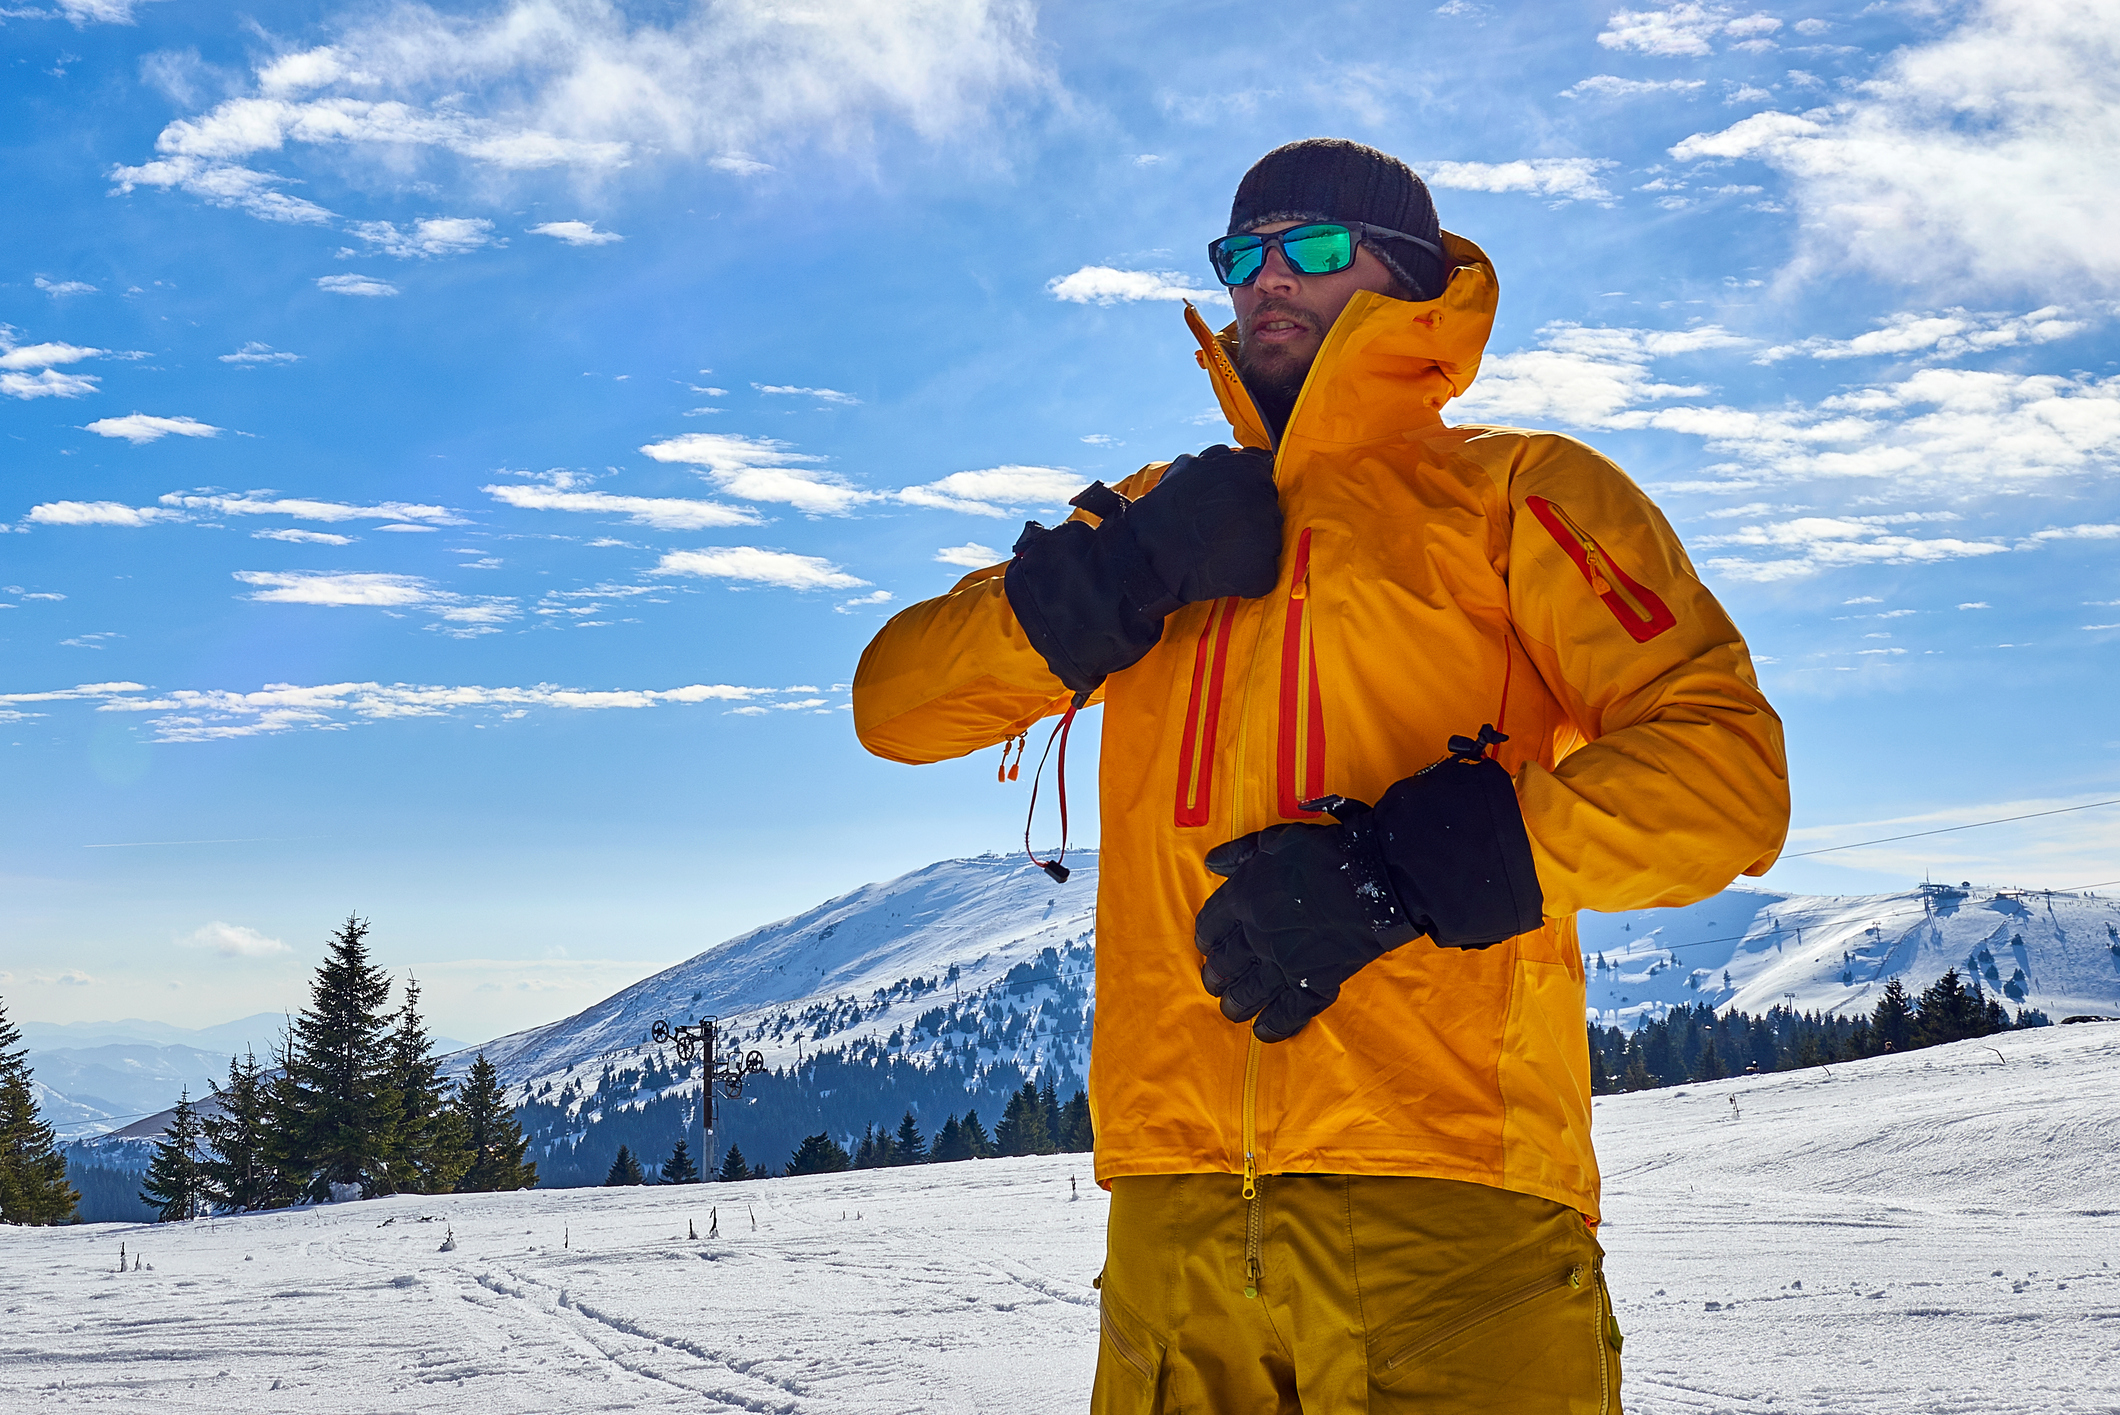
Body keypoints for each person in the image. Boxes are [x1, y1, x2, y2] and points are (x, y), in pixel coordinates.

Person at [854, 137, 1788, 1412]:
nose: (1266, 280)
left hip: (1449, 1210)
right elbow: (892, 703)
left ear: (1405, 274)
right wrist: (1118, 575)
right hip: (1171, 1237)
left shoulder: (1513, 493)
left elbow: (1724, 775)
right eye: (1241, 255)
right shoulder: (1156, 518)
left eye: (1310, 247)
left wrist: (1397, 875)